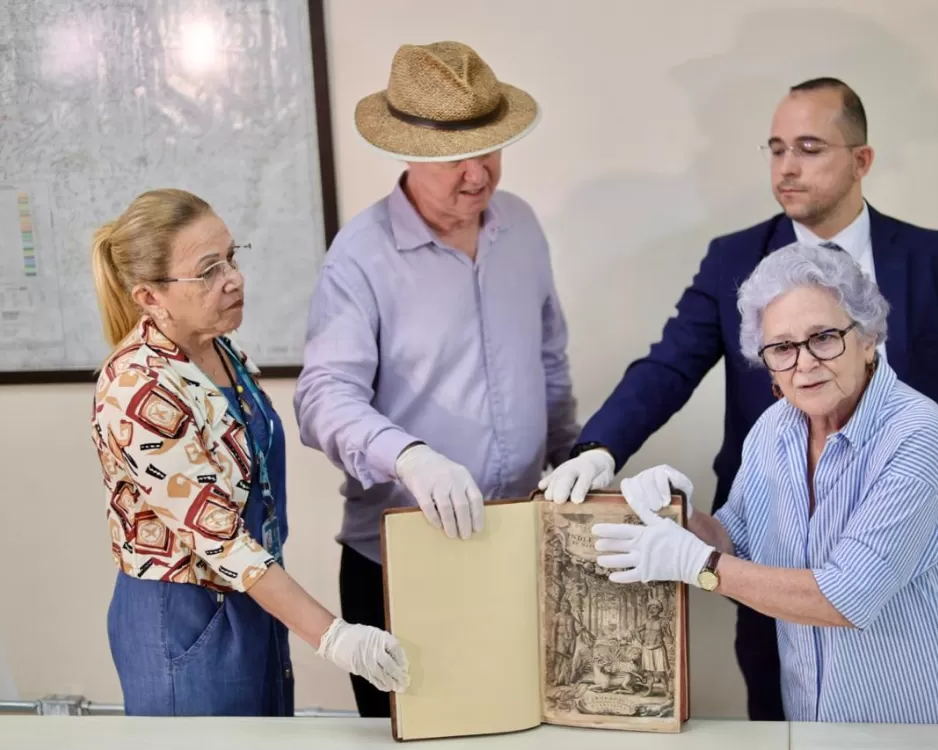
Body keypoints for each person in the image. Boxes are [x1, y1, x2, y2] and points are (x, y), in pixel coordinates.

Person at [540, 77, 938, 720]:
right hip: (782, 585)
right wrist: (654, 494)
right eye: (776, 148)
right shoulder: (774, 419)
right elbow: (669, 368)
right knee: (782, 710)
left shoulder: (932, 267)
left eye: (809, 148)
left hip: (917, 673)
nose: (787, 167)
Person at [589, 243, 938, 723]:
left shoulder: (916, 433)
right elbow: (736, 542)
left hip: (929, 723)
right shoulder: (774, 430)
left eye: (823, 337)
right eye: (783, 348)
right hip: (816, 721)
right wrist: (681, 516)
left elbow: (847, 596)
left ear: (868, 338)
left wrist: (695, 561)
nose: (804, 363)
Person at [294, 41, 579, 717]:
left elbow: (548, 359)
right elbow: (322, 398)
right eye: (455, 158)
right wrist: (409, 456)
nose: (478, 174)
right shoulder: (359, 258)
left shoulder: (521, 226)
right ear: (407, 154)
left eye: (489, 150)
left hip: (521, 545)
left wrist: (575, 456)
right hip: (402, 561)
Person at [89, 188, 409, 716]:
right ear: (149, 296)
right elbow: (218, 538)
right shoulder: (138, 387)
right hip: (186, 619)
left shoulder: (218, 348)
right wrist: (334, 636)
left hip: (254, 597)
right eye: (208, 270)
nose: (233, 279)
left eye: (231, 258)